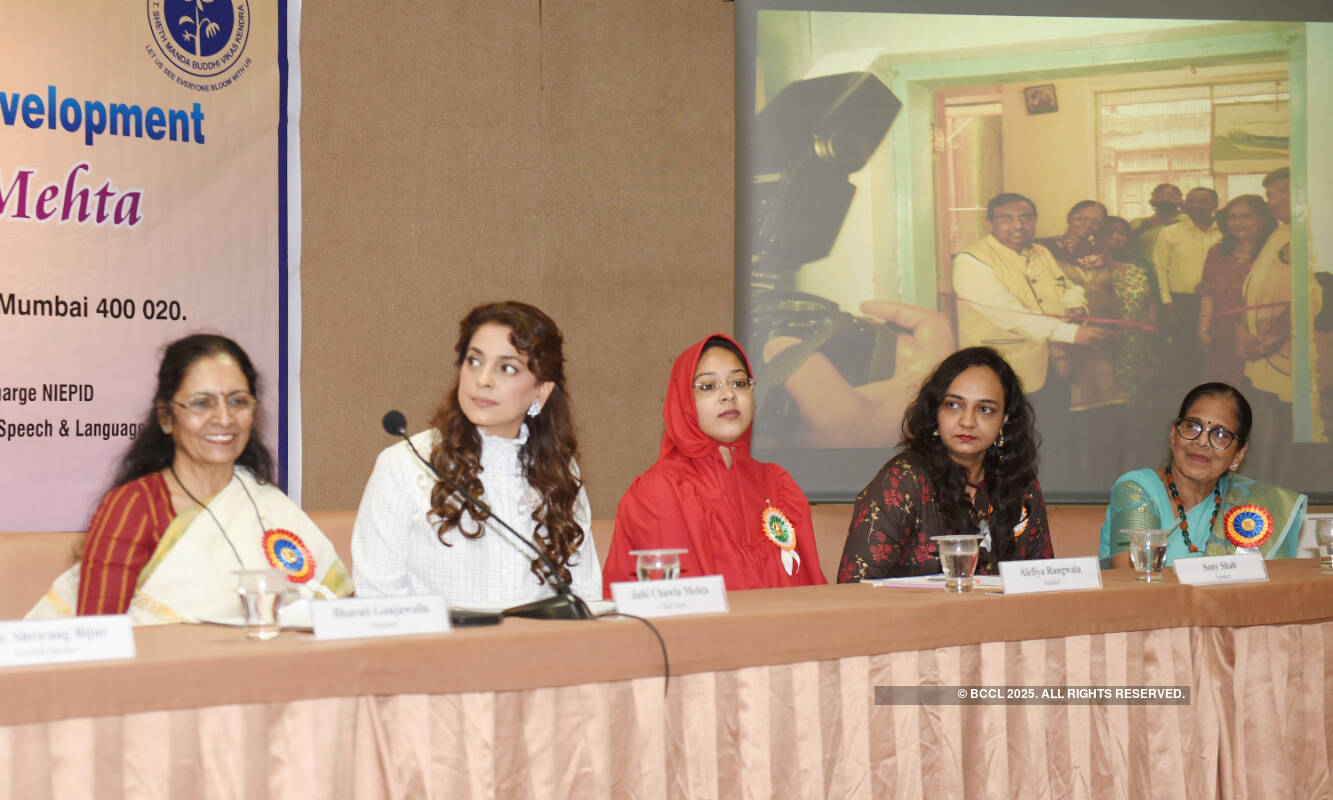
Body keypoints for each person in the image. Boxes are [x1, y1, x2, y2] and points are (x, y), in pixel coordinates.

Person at [27, 334, 353, 622]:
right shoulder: (136, 507)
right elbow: (99, 634)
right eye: (201, 403)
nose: (224, 418)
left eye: (238, 401)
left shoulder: (266, 504)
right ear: (166, 417)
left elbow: (340, 613)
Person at [352, 301, 601, 606]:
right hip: (434, 639)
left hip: (544, 639)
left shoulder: (559, 472)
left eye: (507, 368)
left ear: (541, 392)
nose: (483, 380)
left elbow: (585, 596)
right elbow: (377, 597)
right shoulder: (406, 464)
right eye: (474, 361)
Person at [602, 334, 826, 593]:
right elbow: (679, 603)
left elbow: (813, 591)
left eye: (739, 383)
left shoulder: (778, 484)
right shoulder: (661, 490)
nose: (728, 395)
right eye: (708, 386)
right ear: (683, 400)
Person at [839, 347, 1053, 580]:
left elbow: (1045, 583)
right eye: (953, 405)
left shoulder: (1021, 487)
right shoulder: (904, 480)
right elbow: (855, 585)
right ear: (935, 412)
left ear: (1004, 420)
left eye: (985, 409)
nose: (967, 421)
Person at [1099, 382, 1307, 567]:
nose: (1201, 441)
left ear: (1239, 453)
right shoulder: (1136, 490)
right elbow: (1135, 579)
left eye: (1220, 434)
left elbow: (1274, 588)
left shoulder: (1256, 505)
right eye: (1192, 426)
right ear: (1173, 435)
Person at [1037, 200, 1126, 412]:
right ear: (1069, 218)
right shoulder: (1045, 249)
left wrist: (1118, 321)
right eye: (1081, 218)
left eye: (1095, 221)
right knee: (1068, 382)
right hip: (1067, 322)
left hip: (1101, 320)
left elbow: (1109, 288)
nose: (1087, 224)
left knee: (1102, 387)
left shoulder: (1102, 251)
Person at [1239, 168, 1298, 442]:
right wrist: (1244, 330)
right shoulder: (1280, 232)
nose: (1275, 200)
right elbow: (1255, 285)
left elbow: (1308, 298)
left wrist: (1269, 341)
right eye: (1270, 194)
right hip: (1265, 347)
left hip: (1290, 348)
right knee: (1279, 419)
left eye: (1283, 191)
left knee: (1296, 424)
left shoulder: (1315, 232)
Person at [1198, 195, 1278, 387]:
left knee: (1255, 389)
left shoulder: (1274, 254)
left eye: (1246, 216)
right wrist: (1203, 326)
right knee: (1222, 389)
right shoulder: (1217, 252)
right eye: (1232, 217)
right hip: (1220, 333)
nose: (1237, 222)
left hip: (1259, 335)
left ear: (1263, 219)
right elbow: (1207, 291)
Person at [1152, 187, 1221, 391]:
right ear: (1184, 205)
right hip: (1181, 302)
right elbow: (1161, 267)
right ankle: (1187, 395)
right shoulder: (1170, 232)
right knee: (1185, 352)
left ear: (1215, 205)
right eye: (1192, 201)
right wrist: (1167, 300)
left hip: (1219, 301)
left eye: (1203, 201)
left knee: (1217, 349)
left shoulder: (1225, 231)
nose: (1196, 205)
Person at [1098, 216, 1159, 404]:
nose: (1115, 237)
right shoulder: (1091, 260)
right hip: (1104, 329)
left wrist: (1152, 320)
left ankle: (1130, 408)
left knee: (1132, 372)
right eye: (1110, 232)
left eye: (1121, 233)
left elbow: (1152, 295)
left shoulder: (1140, 262)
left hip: (1135, 330)